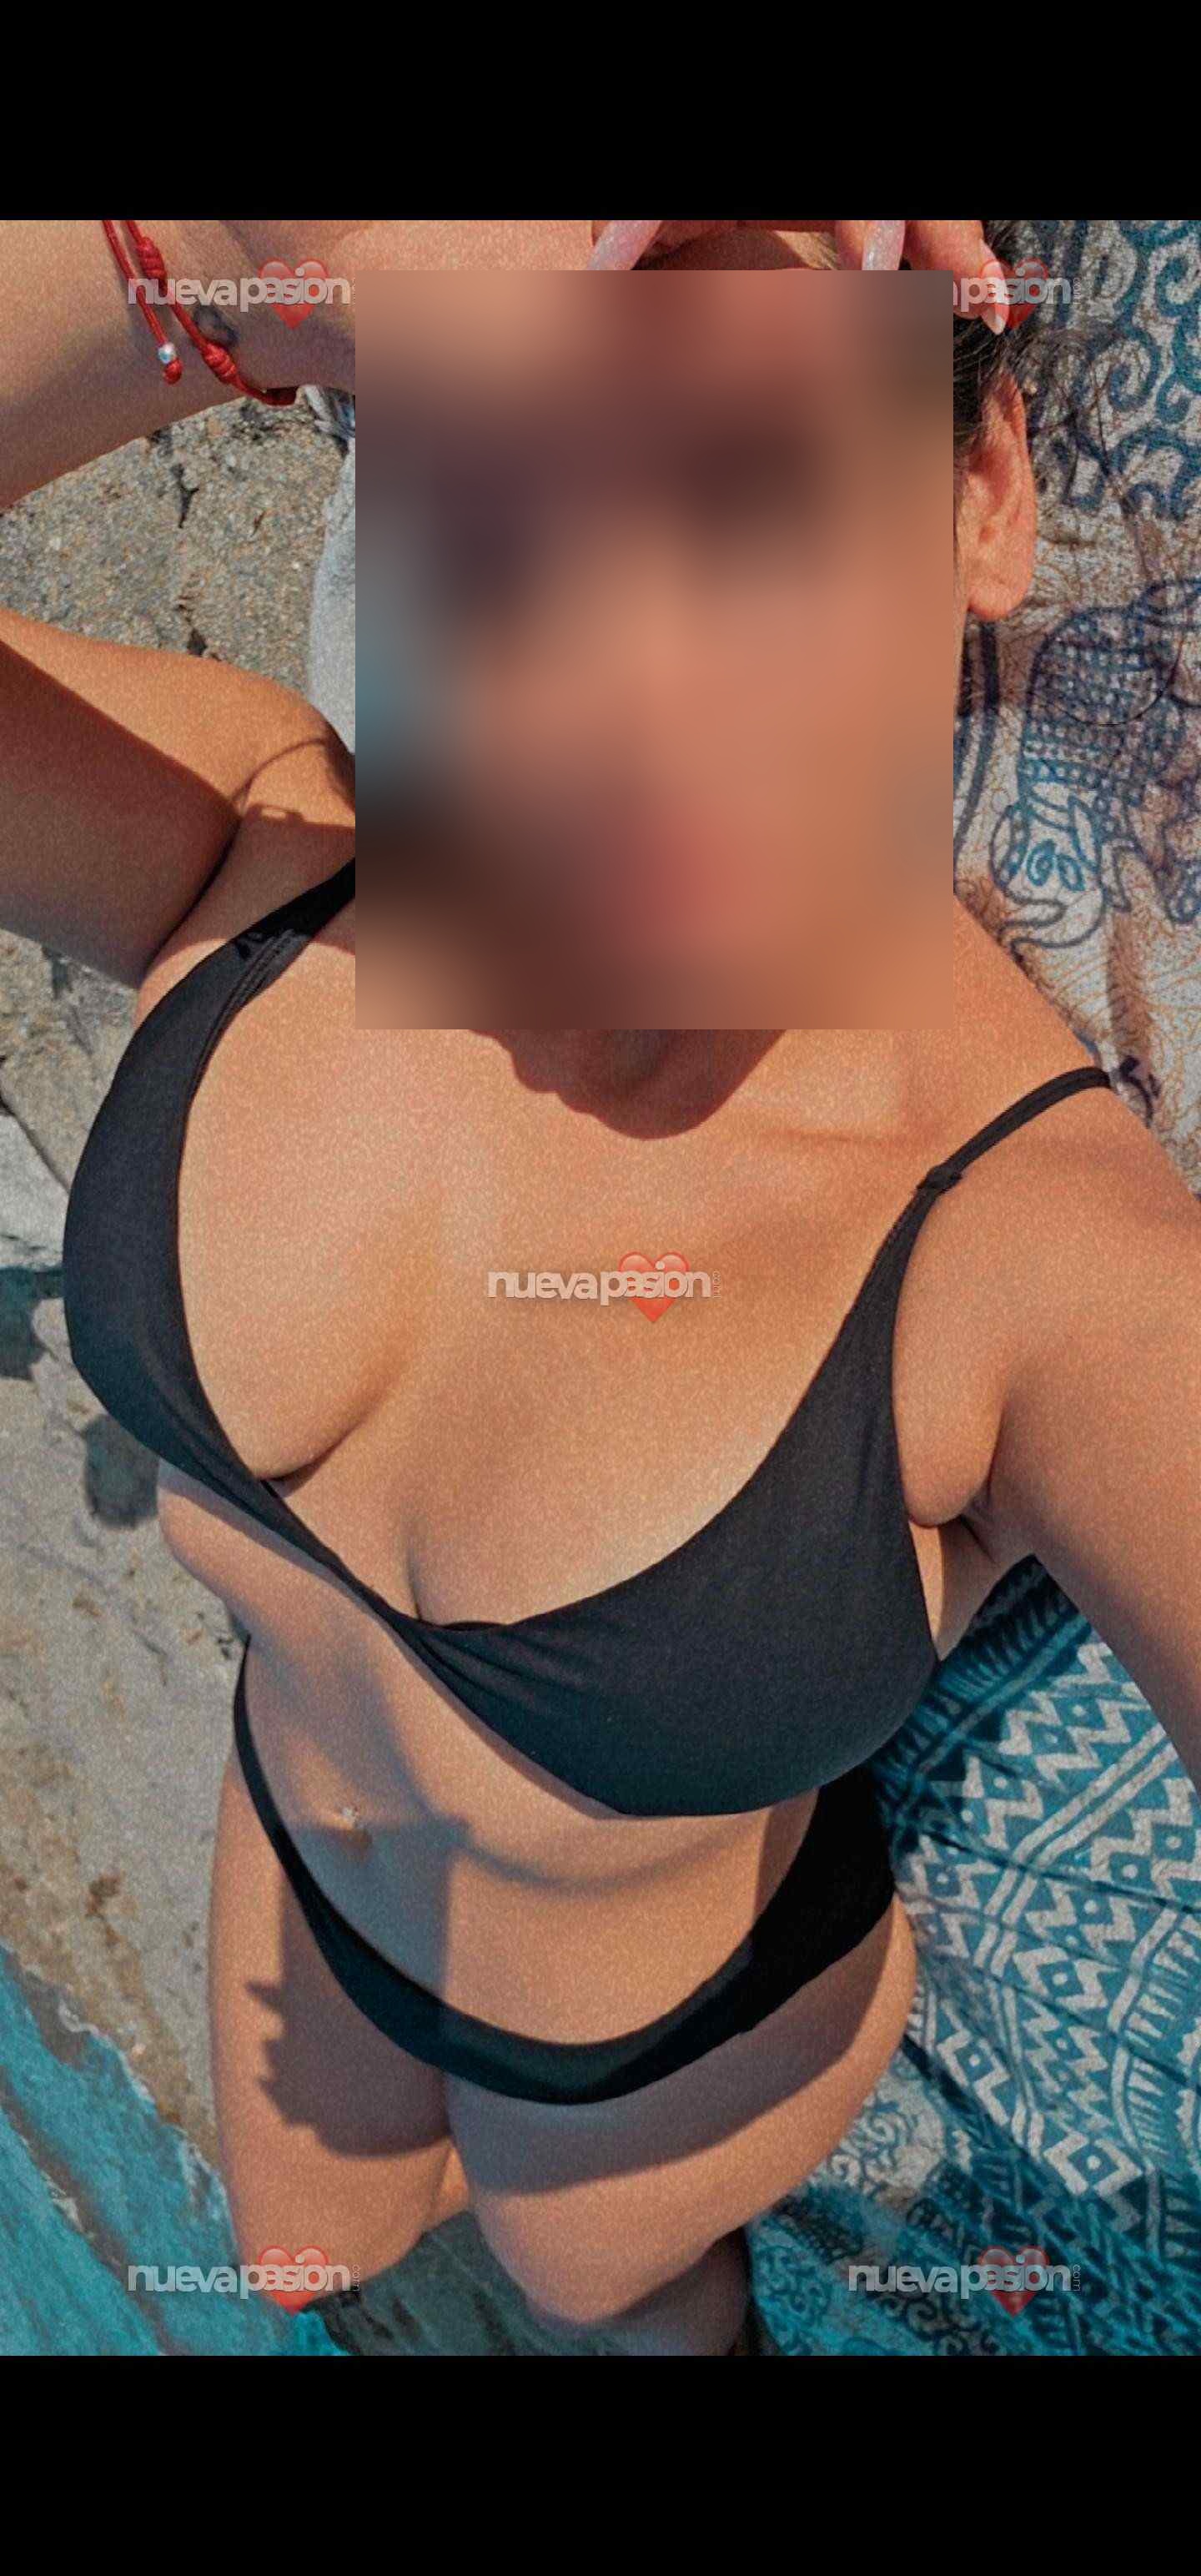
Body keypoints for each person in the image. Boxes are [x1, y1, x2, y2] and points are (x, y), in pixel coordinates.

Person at [3, 220, 1198, 2357]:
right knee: (297, 2256)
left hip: (655, 2053)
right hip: (300, 1845)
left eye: (749, 501)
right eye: (502, 531)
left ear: (982, 490)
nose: (623, 699)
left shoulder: (1042, 1276)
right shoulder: (272, 851)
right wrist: (230, 258)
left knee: (614, 2305)